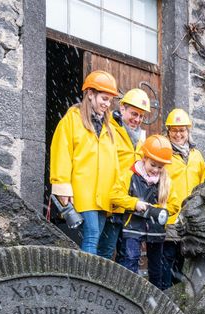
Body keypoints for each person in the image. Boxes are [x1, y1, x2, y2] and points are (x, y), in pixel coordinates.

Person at [49, 70, 120, 254]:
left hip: (103, 195)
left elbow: (115, 164)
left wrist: (116, 192)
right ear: (90, 94)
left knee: (98, 238)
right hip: (83, 191)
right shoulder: (71, 120)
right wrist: (62, 186)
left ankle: (91, 278)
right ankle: (88, 281)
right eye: (104, 98)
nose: (107, 104)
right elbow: (61, 154)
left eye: (110, 100)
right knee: (91, 235)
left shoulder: (109, 128)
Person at [110, 135, 180, 289]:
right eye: (152, 165)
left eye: (160, 167)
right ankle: (128, 293)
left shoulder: (166, 182)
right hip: (133, 226)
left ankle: (155, 298)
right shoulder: (130, 175)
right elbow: (115, 195)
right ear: (144, 158)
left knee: (156, 267)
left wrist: (160, 210)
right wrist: (135, 203)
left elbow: (175, 204)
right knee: (130, 260)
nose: (156, 170)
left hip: (156, 228)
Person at [97, 88, 151, 261]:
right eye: (134, 114)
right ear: (122, 108)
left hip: (131, 206)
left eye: (141, 116)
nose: (137, 119)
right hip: (110, 204)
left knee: (127, 256)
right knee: (104, 253)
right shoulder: (108, 129)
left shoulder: (140, 140)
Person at [156, 109, 205, 289]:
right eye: (174, 130)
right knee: (166, 260)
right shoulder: (162, 151)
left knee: (184, 263)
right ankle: (164, 297)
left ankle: (178, 300)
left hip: (189, 218)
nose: (178, 134)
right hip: (168, 215)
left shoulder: (197, 156)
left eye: (182, 130)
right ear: (168, 131)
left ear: (188, 131)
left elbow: (202, 185)